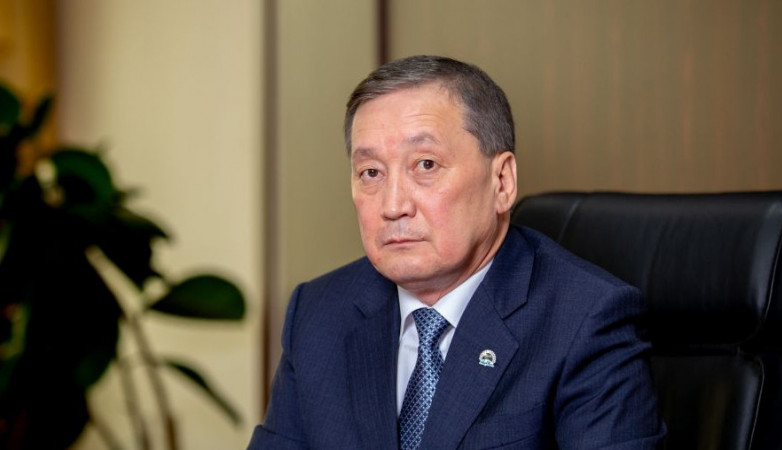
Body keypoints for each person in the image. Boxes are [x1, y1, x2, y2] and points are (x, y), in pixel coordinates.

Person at [248, 55, 665, 449]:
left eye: (425, 165)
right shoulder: (319, 313)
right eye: (371, 173)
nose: (393, 205)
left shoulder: (585, 320)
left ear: (502, 182)